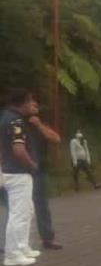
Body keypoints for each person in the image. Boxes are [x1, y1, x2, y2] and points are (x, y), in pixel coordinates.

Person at [1, 89, 41, 266]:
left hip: (11, 170)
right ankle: (12, 253)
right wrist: (31, 165)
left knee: (27, 211)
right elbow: (19, 150)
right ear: (23, 102)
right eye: (30, 101)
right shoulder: (16, 121)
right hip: (18, 172)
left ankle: (22, 245)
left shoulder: (6, 117)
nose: (32, 105)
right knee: (19, 213)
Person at [26, 102, 63, 249]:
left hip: (39, 169)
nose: (35, 107)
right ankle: (15, 241)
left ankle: (48, 238)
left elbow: (56, 139)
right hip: (20, 169)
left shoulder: (40, 124)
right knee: (17, 206)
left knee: (41, 204)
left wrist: (39, 125)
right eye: (31, 104)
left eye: (36, 105)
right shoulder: (16, 121)